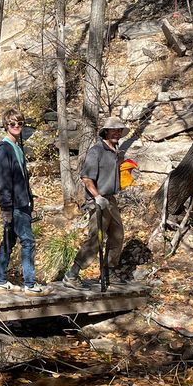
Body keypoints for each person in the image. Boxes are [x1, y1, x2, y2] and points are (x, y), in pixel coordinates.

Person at [64, 116, 128, 289]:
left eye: (119, 130)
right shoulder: (96, 151)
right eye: (114, 130)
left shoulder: (115, 151)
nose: (117, 133)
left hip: (111, 200)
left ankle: (108, 271)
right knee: (96, 238)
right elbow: (86, 178)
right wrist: (97, 197)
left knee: (117, 235)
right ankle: (72, 274)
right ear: (105, 132)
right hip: (97, 200)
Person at [0, 108, 46, 295]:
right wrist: (6, 208)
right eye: (12, 123)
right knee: (28, 242)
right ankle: (30, 285)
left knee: (9, 241)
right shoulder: (3, 148)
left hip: (22, 203)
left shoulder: (17, 147)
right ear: (6, 125)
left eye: (20, 123)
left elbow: (22, 177)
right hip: (14, 205)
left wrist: (29, 198)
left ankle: (0, 280)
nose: (17, 126)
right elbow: (3, 181)